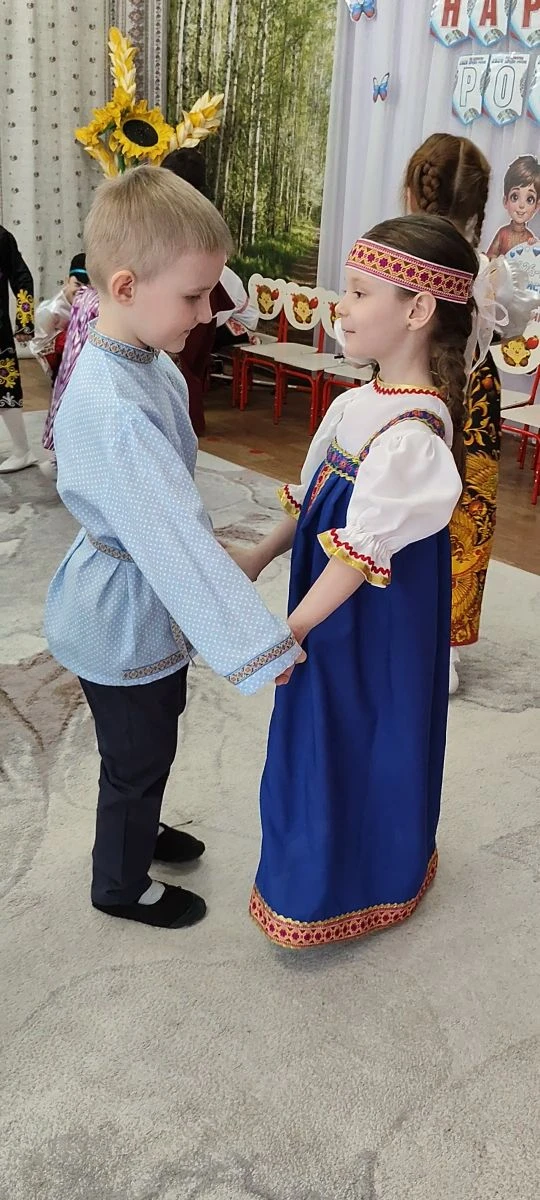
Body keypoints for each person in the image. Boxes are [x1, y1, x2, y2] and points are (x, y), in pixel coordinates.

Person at [44, 166, 303, 931]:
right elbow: (173, 541)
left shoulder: (144, 361)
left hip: (137, 599)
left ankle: (140, 822)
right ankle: (120, 884)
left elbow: (170, 515)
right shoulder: (116, 408)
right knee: (137, 753)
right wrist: (260, 645)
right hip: (122, 619)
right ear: (126, 286)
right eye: (194, 296)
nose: (209, 311)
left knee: (148, 739)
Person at [227, 214, 475, 948]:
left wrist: (295, 626)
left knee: (367, 728)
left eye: (362, 292)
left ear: (418, 310)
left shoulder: (413, 435)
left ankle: (368, 878)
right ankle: (310, 877)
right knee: (316, 731)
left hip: (373, 619)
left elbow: (361, 552)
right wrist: (261, 555)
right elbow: (314, 504)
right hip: (330, 600)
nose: (343, 305)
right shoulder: (352, 404)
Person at [404, 134, 538, 693]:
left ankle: (391, 624)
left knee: (396, 501)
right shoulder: (491, 270)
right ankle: (447, 647)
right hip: (475, 395)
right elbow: (512, 325)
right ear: (483, 203)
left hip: (407, 391)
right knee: (469, 508)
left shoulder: (398, 256)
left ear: (415, 189)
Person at [161, 148, 258, 434]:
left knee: (182, 364)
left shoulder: (201, 218)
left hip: (205, 298)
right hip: (192, 296)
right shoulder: (171, 215)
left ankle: (182, 426)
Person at [39, 282, 99, 478]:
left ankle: (61, 461)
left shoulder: (82, 297)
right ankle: (66, 463)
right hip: (85, 365)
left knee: (69, 410)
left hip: (72, 365)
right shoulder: (96, 301)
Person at [0, 225, 35, 473]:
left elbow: (22, 277)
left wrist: (25, 321)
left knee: (5, 385)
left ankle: (23, 450)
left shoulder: (1, 238)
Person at [30, 253, 89, 383]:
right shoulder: (50, 311)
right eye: (77, 284)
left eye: (88, 287)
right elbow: (38, 346)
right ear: (67, 281)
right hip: (60, 360)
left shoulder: (91, 303)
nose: (82, 291)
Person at [487, 155, 540, 259]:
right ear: (505, 201)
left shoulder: (529, 238)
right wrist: (497, 262)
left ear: (537, 206)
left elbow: (531, 262)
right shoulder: (503, 233)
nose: (521, 205)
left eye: (529, 199)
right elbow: (490, 255)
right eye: (515, 197)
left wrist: (534, 248)